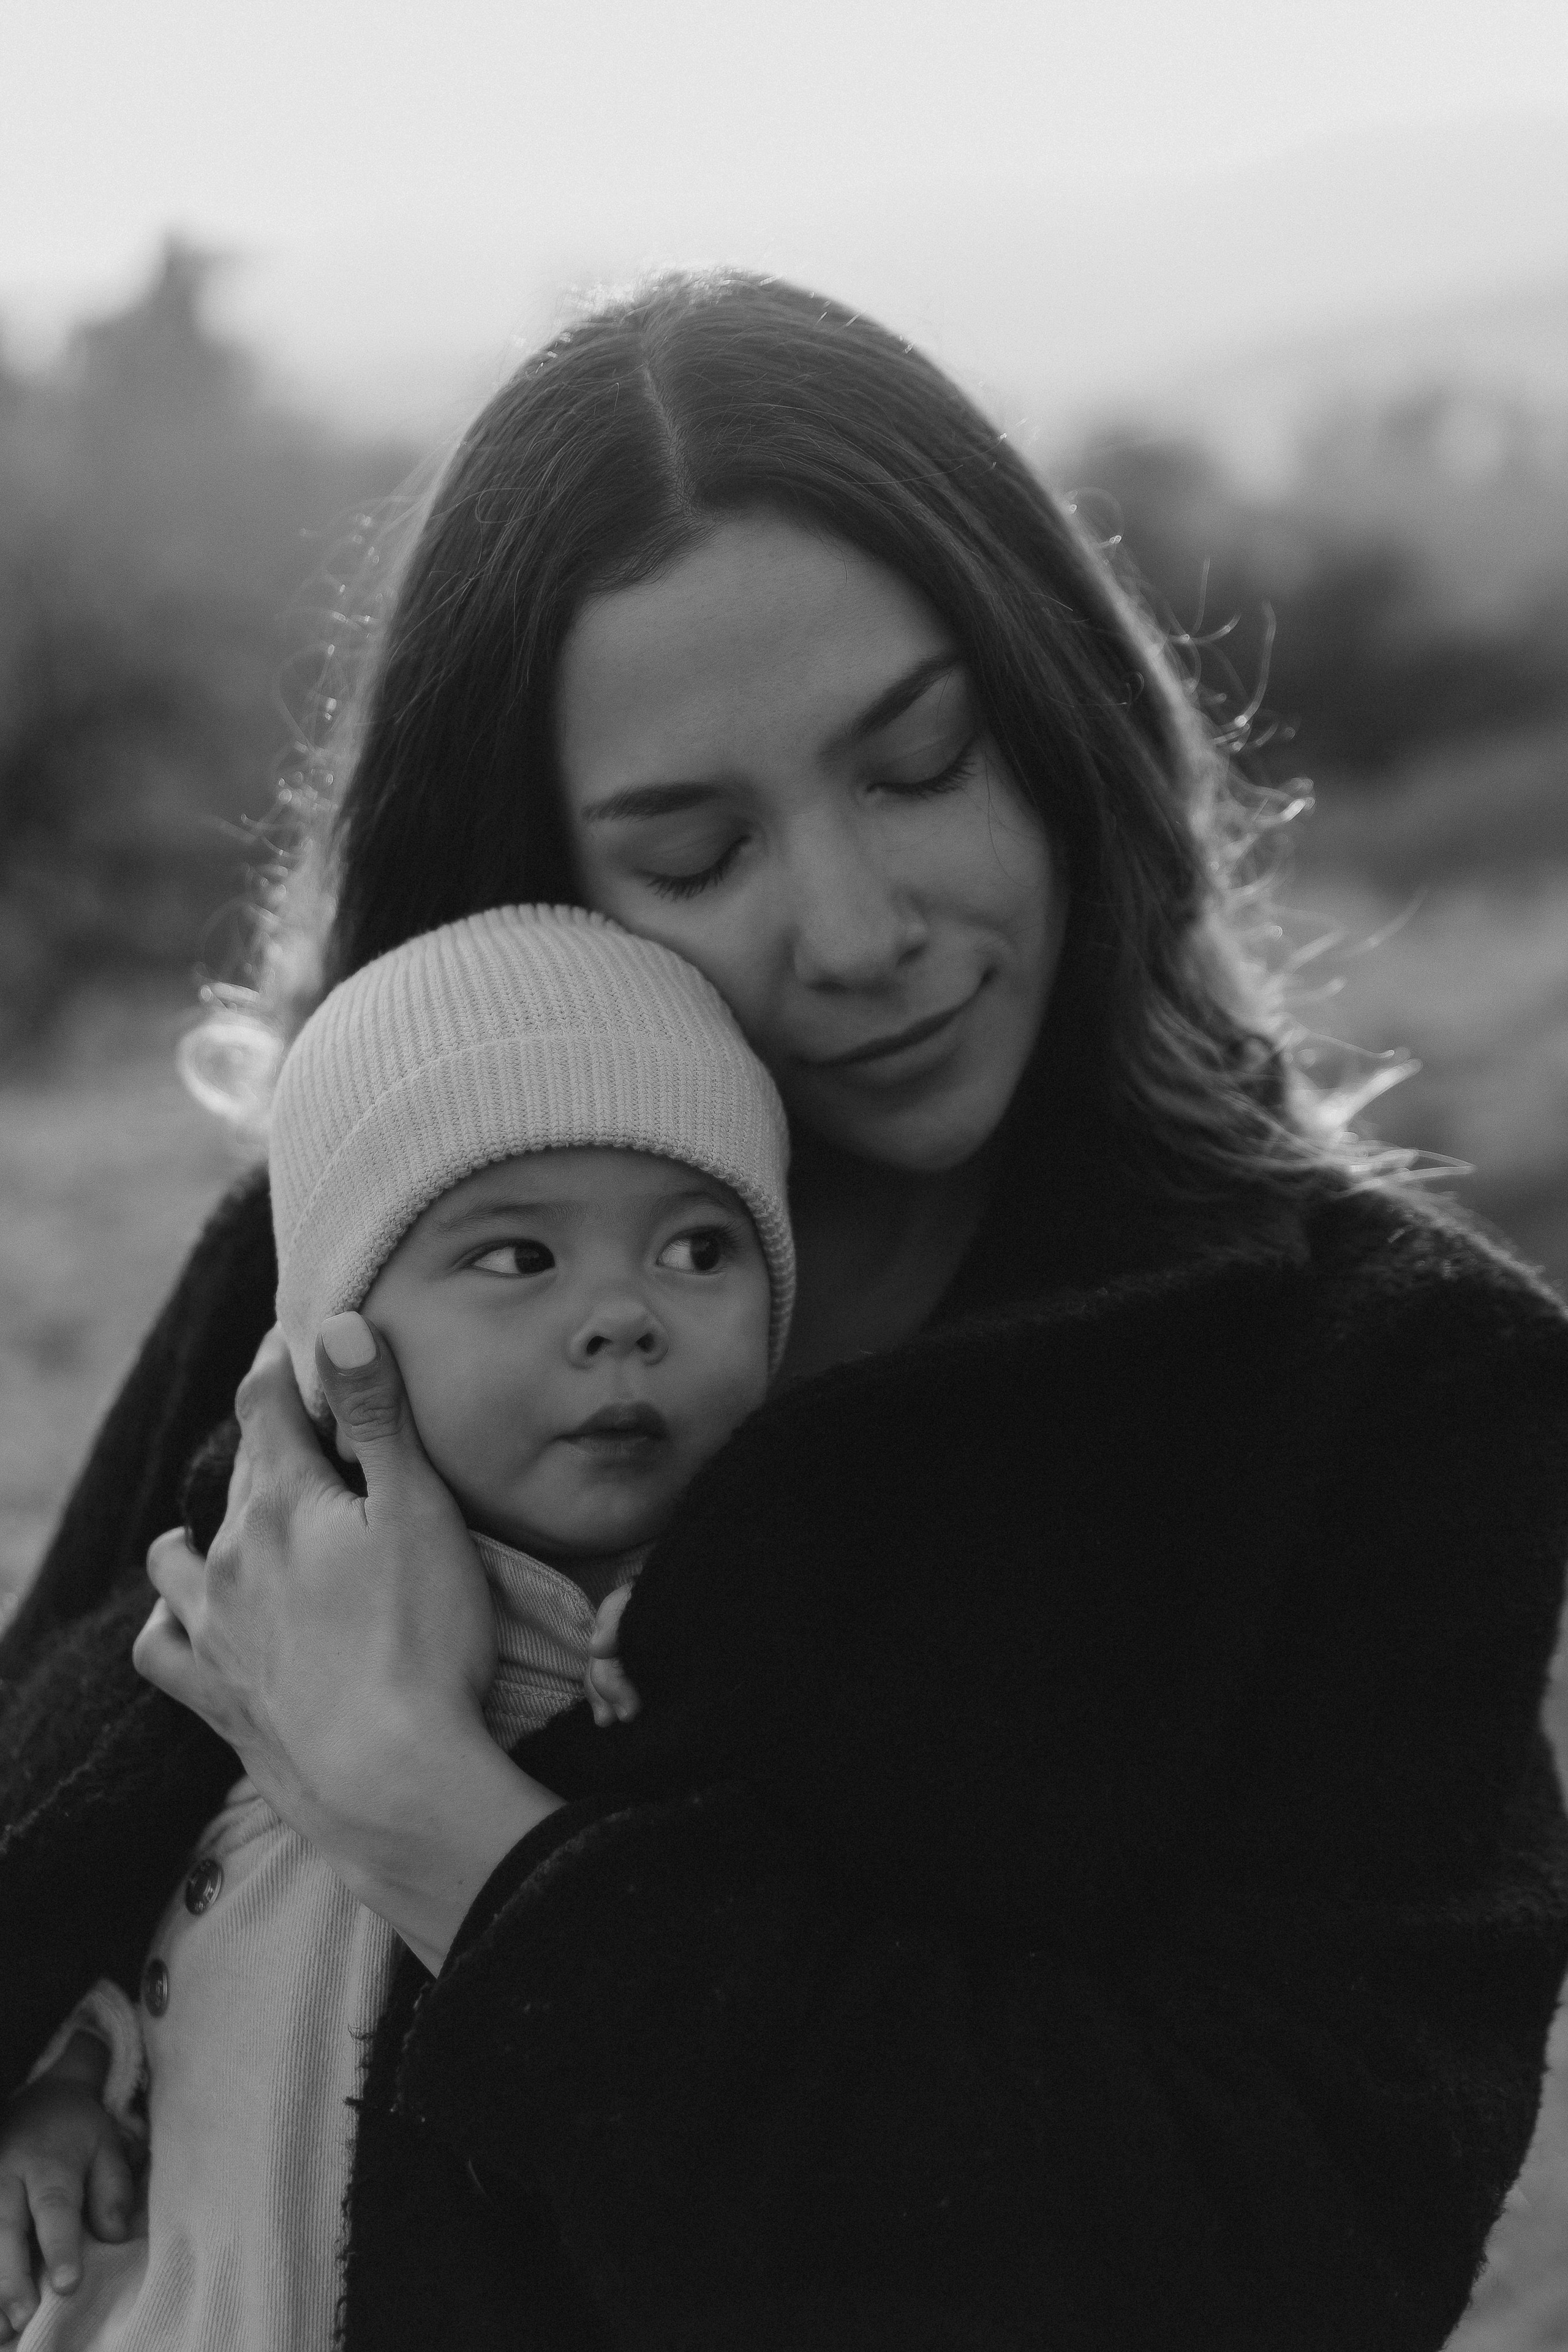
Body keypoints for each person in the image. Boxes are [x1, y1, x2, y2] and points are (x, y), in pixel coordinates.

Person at [3, 269, 1567, 2352]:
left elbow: (1277, 2254)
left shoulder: (1383, 1397)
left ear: (1061, 722)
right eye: (696, 847)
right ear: (532, 881)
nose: (855, 928)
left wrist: (448, 1827)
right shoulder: (345, 1243)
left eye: (920, 762)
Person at [0, 900, 792, 2346]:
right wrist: (57, 2083)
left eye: (696, 1249)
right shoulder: (225, 1622)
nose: (624, 1315)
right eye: (517, 1258)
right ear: (337, 1334)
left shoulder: (764, 1677)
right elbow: (90, 1892)